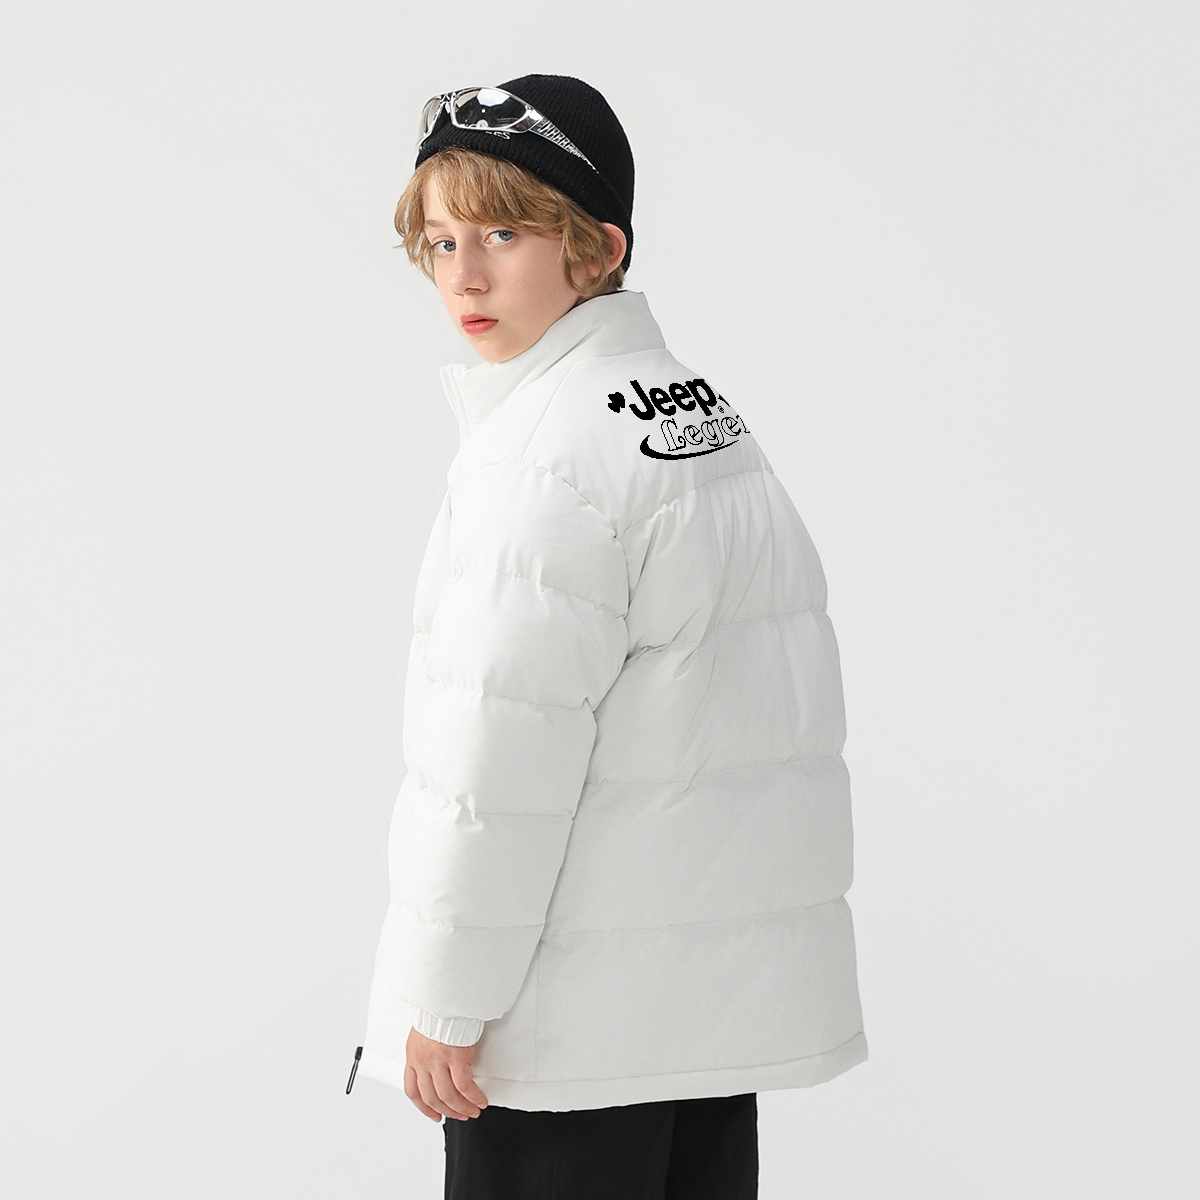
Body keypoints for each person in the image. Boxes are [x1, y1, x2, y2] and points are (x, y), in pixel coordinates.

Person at [349, 74, 867, 1199]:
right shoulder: (695, 415)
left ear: (596, 248)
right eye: (439, 241)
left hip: (566, 1045)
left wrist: (444, 1001)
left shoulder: (544, 460)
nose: (465, 275)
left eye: (503, 232)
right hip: (699, 1025)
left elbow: (498, 761)